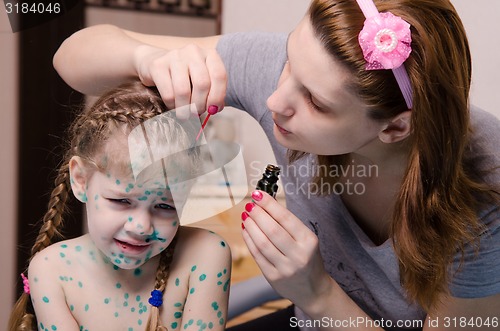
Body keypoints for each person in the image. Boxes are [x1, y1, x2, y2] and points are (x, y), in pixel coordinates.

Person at [53, 0, 500, 330]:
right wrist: (145, 59)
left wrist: (317, 292)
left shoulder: (486, 181)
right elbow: (73, 57)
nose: (274, 99)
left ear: (395, 128)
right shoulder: (280, 74)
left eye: (315, 102)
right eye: (288, 62)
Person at [9, 81, 232, 331]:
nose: (141, 227)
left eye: (165, 206)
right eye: (121, 201)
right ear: (81, 180)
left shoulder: (205, 254)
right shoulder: (52, 269)